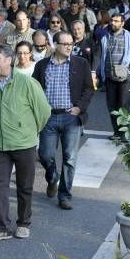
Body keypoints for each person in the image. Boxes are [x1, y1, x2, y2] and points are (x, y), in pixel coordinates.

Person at [0, 44, 51, 242]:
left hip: (24, 143)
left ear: (9, 60)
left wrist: (29, 131)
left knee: (24, 186)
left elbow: (44, 111)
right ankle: (2, 227)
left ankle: (23, 223)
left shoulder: (27, 83)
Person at [33, 31, 94, 210]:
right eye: (65, 43)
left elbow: (89, 89)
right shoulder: (42, 65)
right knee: (44, 155)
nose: (69, 46)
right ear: (55, 45)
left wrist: (79, 108)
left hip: (71, 117)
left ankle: (65, 195)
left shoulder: (80, 63)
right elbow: (34, 89)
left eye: (71, 44)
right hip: (49, 117)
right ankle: (52, 178)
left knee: (69, 158)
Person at [94, 12, 130, 139]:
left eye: (116, 21)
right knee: (112, 106)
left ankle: (124, 134)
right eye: (112, 21)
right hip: (109, 77)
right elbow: (99, 55)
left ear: (122, 23)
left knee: (123, 105)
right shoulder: (105, 37)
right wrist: (95, 72)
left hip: (125, 78)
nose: (113, 23)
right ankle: (116, 132)